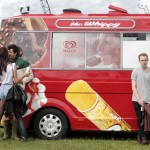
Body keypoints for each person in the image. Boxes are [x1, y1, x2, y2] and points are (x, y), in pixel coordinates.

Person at [2, 44, 34, 141]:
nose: (9, 54)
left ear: (15, 53)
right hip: (7, 90)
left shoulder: (23, 63)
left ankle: (14, 135)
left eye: (10, 52)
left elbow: (31, 75)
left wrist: (22, 81)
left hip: (17, 91)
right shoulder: (5, 62)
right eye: (8, 52)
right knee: (6, 113)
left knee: (16, 113)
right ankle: (6, 135)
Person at [131, 52, 150, 145]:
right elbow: (133, 86)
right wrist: (139, 99)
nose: (144, 62)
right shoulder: (135, 71)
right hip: (137, 100)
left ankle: (139, 136)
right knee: (140, 119)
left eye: (145, 60)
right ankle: (144, 138)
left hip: (148, 100)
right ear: (139, 61)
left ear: (148, 60)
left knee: (147, 120)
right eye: (142, 60)